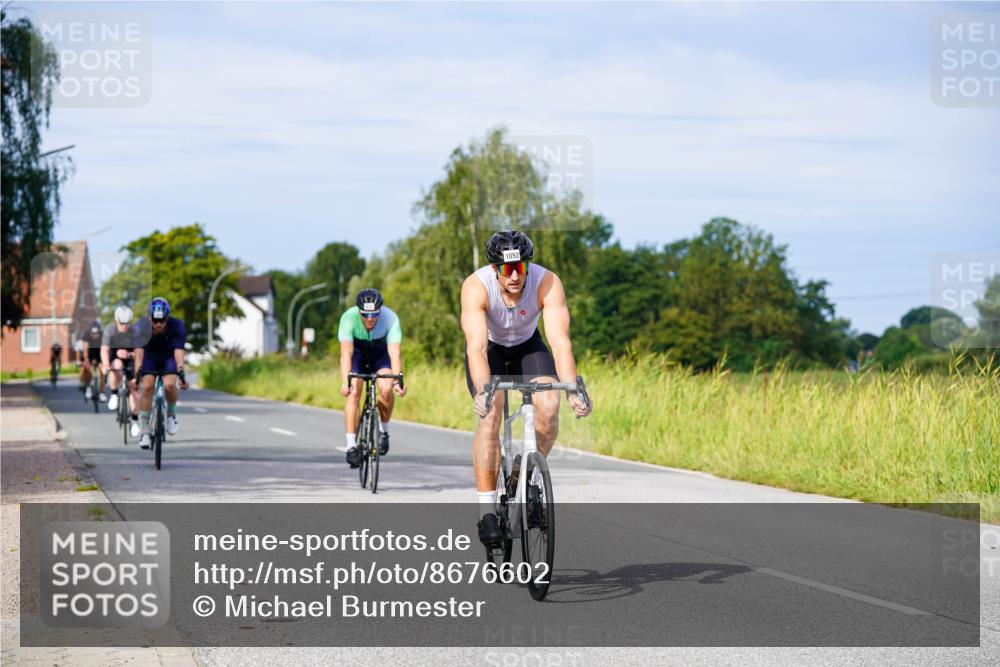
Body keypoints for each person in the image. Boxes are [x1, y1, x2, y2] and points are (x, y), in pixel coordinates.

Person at [460, 230, 592, 547]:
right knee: (491, 415)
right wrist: (483, 391)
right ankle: (487, 512)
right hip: (491, 350)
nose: (515, 276)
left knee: (549, 406)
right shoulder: (476, 286)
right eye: (507, 269)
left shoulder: (547, 282)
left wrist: (572, 390)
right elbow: (476, 348)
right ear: (495, 269)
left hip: (528, 347)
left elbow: (560, 343)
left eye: (520, 267)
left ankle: (526, 474)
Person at [338, 288, 406, 468]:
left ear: (380, 310)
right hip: (357, 355)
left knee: (386, 388)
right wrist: (345, 382)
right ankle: (351, 445)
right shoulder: (348, 318)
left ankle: (384, 431)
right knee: (354, 391)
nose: (369, 319)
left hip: (380, 356)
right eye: (365, 314)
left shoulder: (390, 318)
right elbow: (346, 354)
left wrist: (397, 381)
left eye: (374, 314)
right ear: (359, 311)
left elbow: (395, 353)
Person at [132, 297, 188, 449]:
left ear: (167, 318)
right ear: (149, 317)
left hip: (169, 356)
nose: (158, 324)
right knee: (147, 386)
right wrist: (137, 373)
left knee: (169, 385)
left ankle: (170, 414)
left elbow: (179, 351)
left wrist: (181, 370)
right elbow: (139, 351)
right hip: (149, 356)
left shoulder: (178, 326)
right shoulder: (141, 326)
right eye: (155, 320)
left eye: (162, 321)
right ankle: (144, 432)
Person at [101, 305, 141, 437]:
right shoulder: (110, 330)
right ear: (116, 321)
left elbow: (139, 354)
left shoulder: (135, 332)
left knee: (134, 388)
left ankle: (134, 421)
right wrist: (106, 365)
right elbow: (104, 349)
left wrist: (130, 357)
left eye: (127, 323)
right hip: (115, 356)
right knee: (116, 366)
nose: (125, 326)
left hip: (130, 358)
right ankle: (114, 394)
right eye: (122, 323)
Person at [76, 321, 105, 402]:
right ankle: (88, 387)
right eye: (93, 333)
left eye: (96, 333)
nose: (95, 335)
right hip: (90, 353)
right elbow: (85, 349)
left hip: (99, 353)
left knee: (102, 371)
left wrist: (104, 361)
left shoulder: (103, 336)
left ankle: (102, 392)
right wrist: (86, 359)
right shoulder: (86, 335)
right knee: (87, 368)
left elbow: (104, 348)